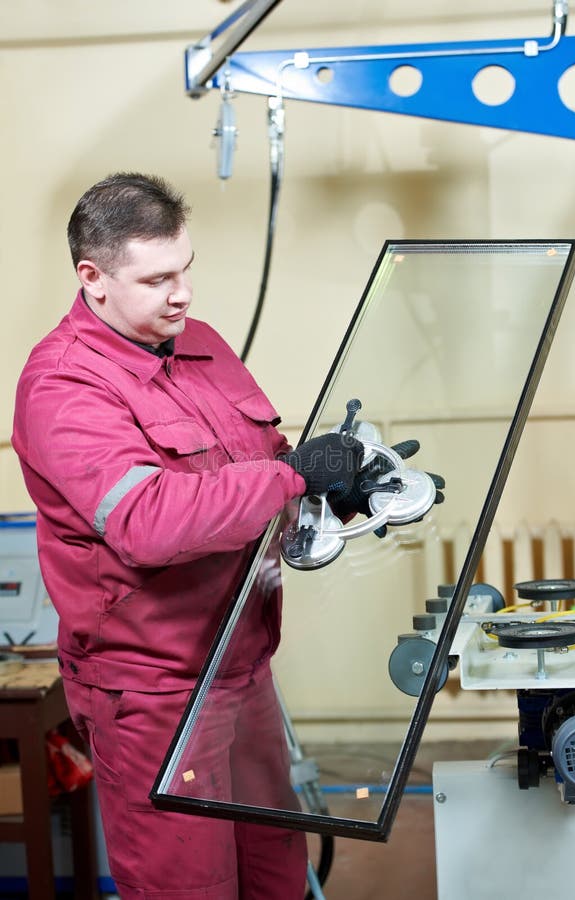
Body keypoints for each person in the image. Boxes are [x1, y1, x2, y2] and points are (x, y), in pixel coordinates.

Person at [11, 172, 364, 899]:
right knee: (189, 887)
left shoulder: (198, 343)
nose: (183, 294)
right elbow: (152, 521)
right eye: (158, 278)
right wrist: (292, 475)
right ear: (94, 278)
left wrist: (338, 489)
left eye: (187, 269)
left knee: (275, 875)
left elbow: (258, 466)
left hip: (241, 665)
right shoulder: (63, 387)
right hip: (152, 692)